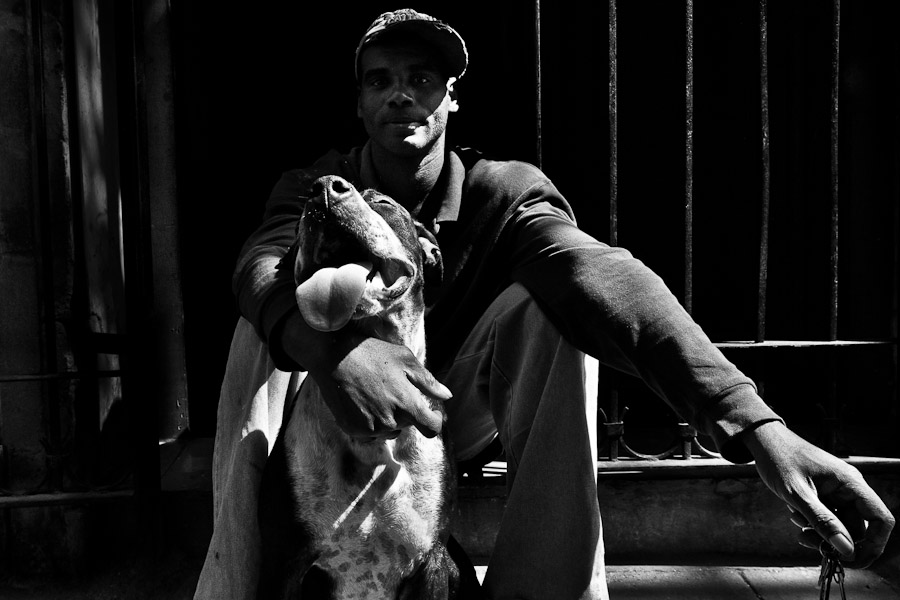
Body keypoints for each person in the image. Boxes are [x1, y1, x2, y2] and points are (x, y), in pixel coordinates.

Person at [194, 8, 894, 600]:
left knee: (555, 310)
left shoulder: (504, 192)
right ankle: (231, 584)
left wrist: (760, 429)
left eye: (422, 80)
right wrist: (335, 350)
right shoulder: (318, 183)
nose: (401, 96)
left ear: (451, 99)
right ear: (359, 103)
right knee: (261, 320)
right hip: (319, 406)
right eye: (381, 81)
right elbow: (258, 263)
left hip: (442, 406)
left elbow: (608, 279)